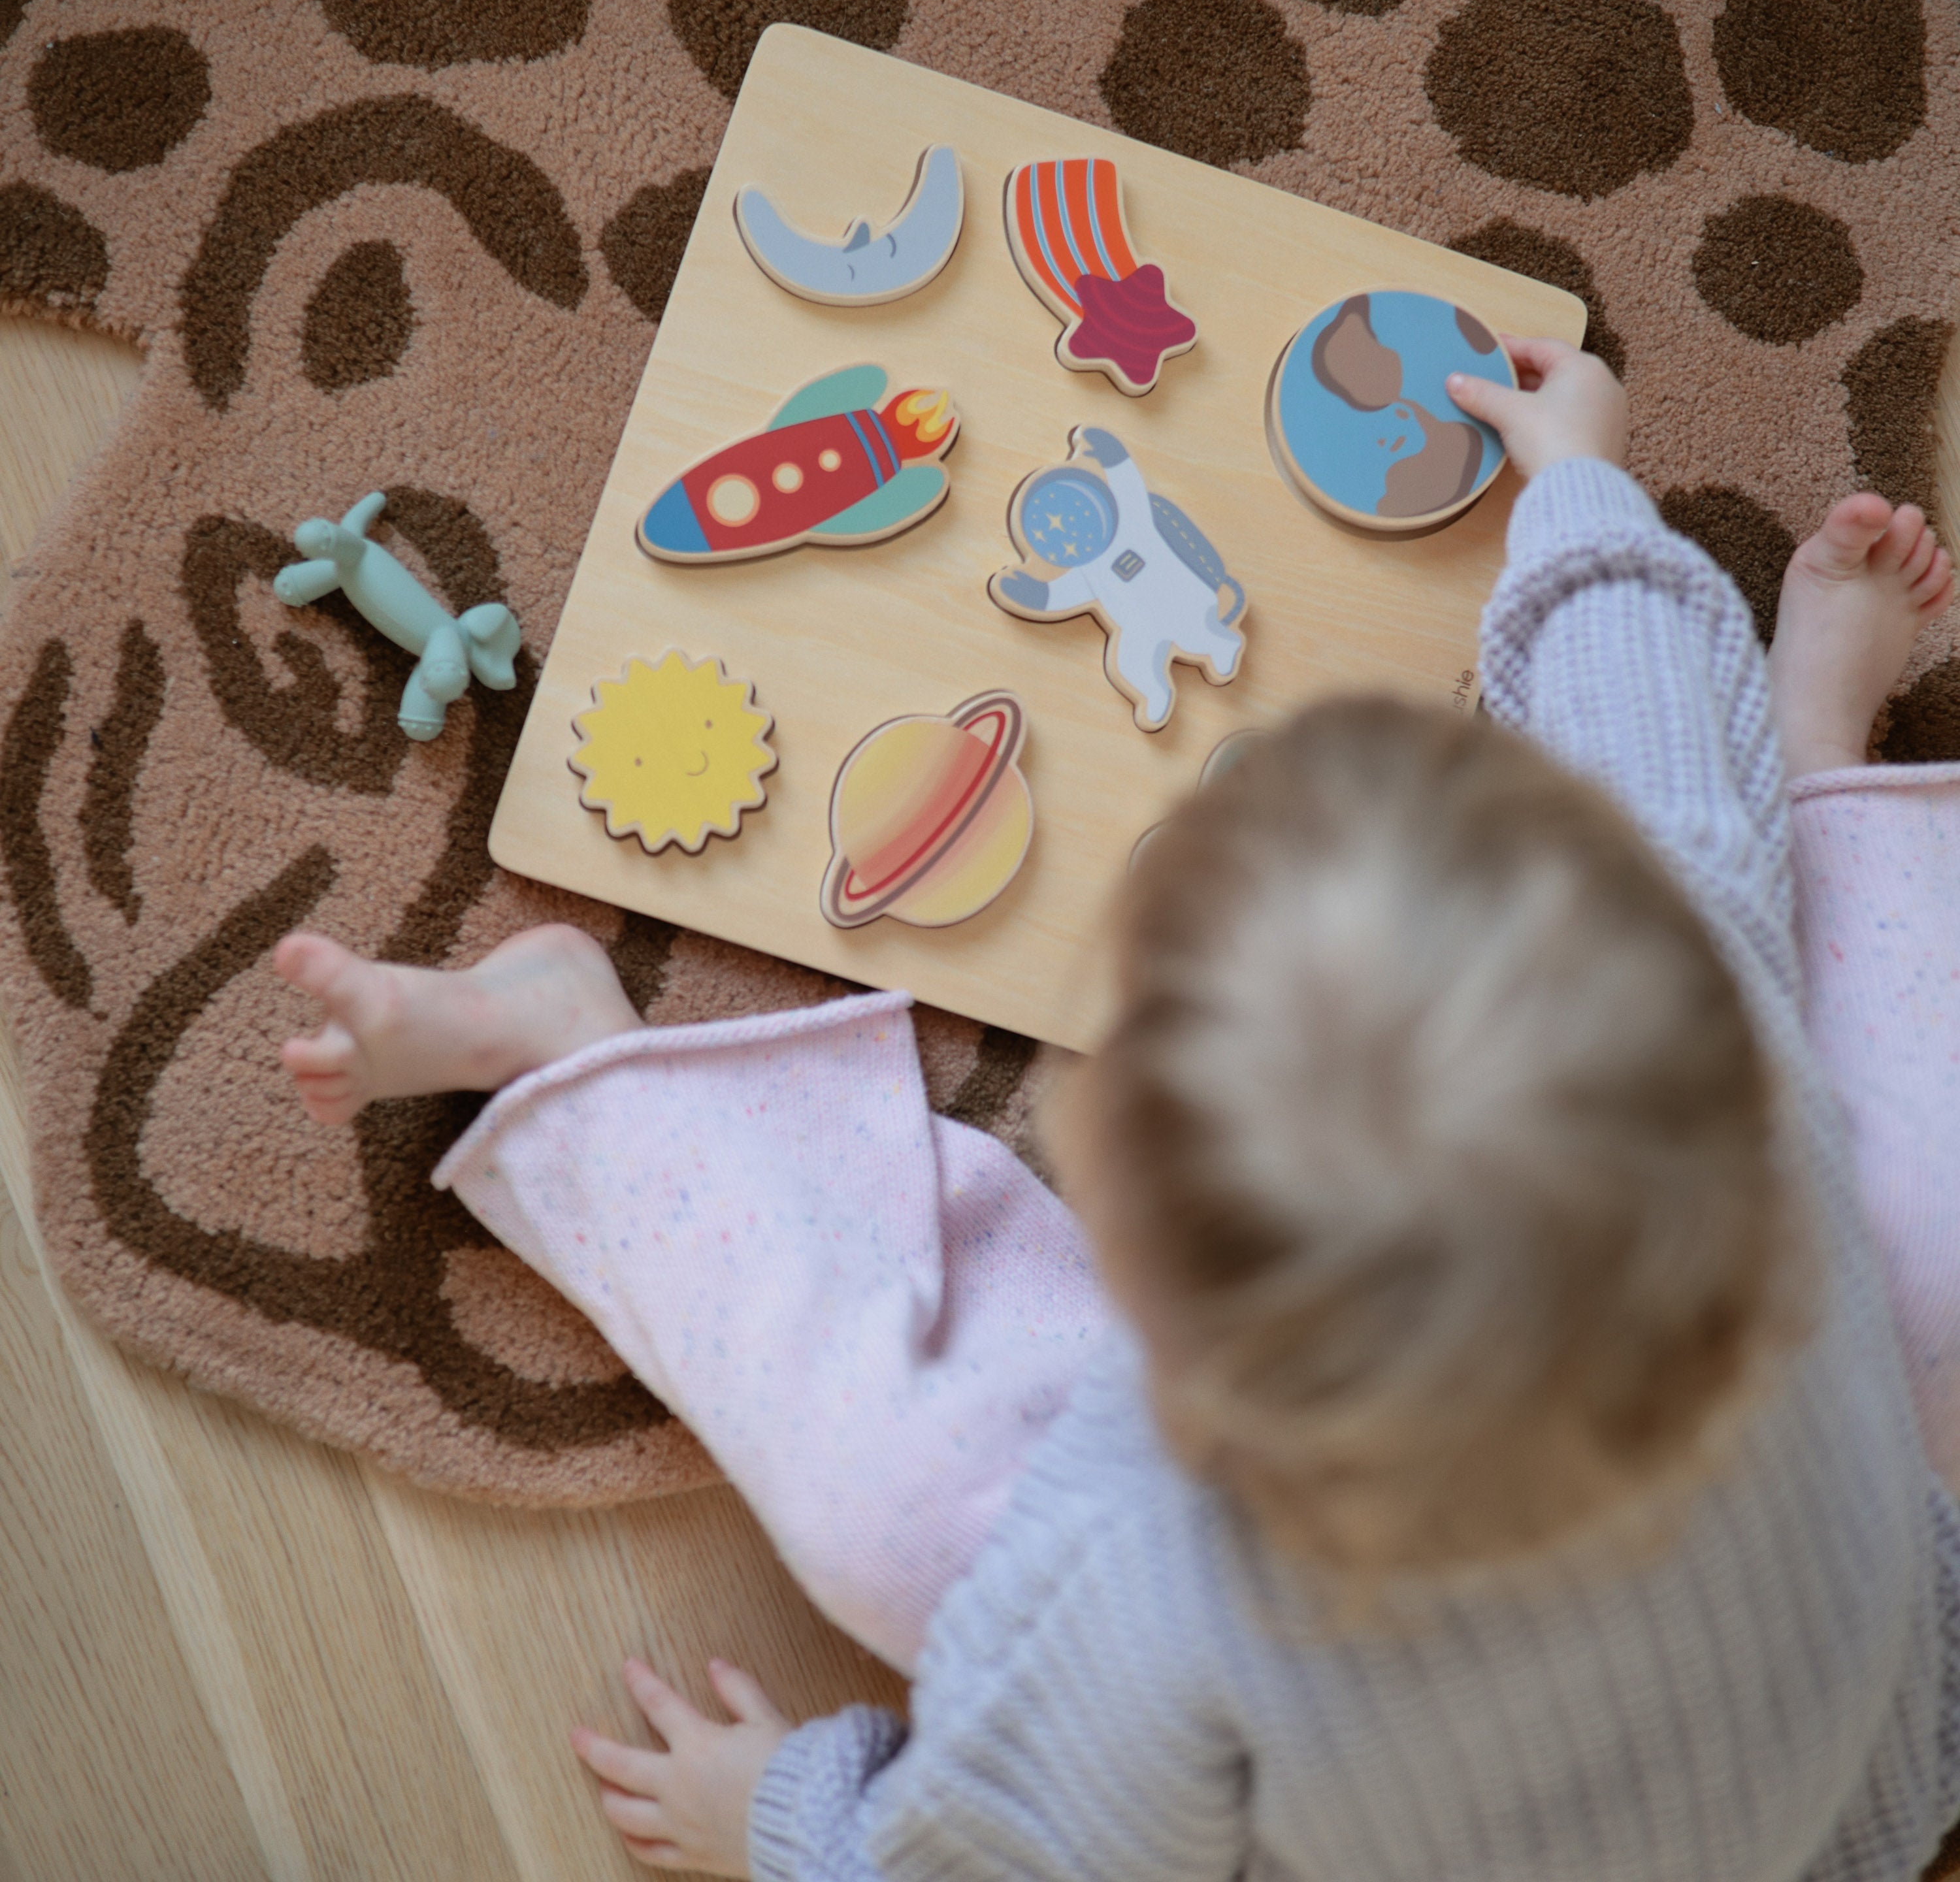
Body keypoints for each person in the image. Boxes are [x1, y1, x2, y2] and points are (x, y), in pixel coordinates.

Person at [276, 338, 1960, 1881]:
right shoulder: (1707, 1044)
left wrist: (803, 1827)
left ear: (1143, 1299)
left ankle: (577, 1066)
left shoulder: (1163, 1583)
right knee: (1923, 1230)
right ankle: (1815, 756)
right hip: (1852, 1732)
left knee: (894, 1507)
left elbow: (1024, 1860)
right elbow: (1650, 747)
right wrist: (1578, 490)